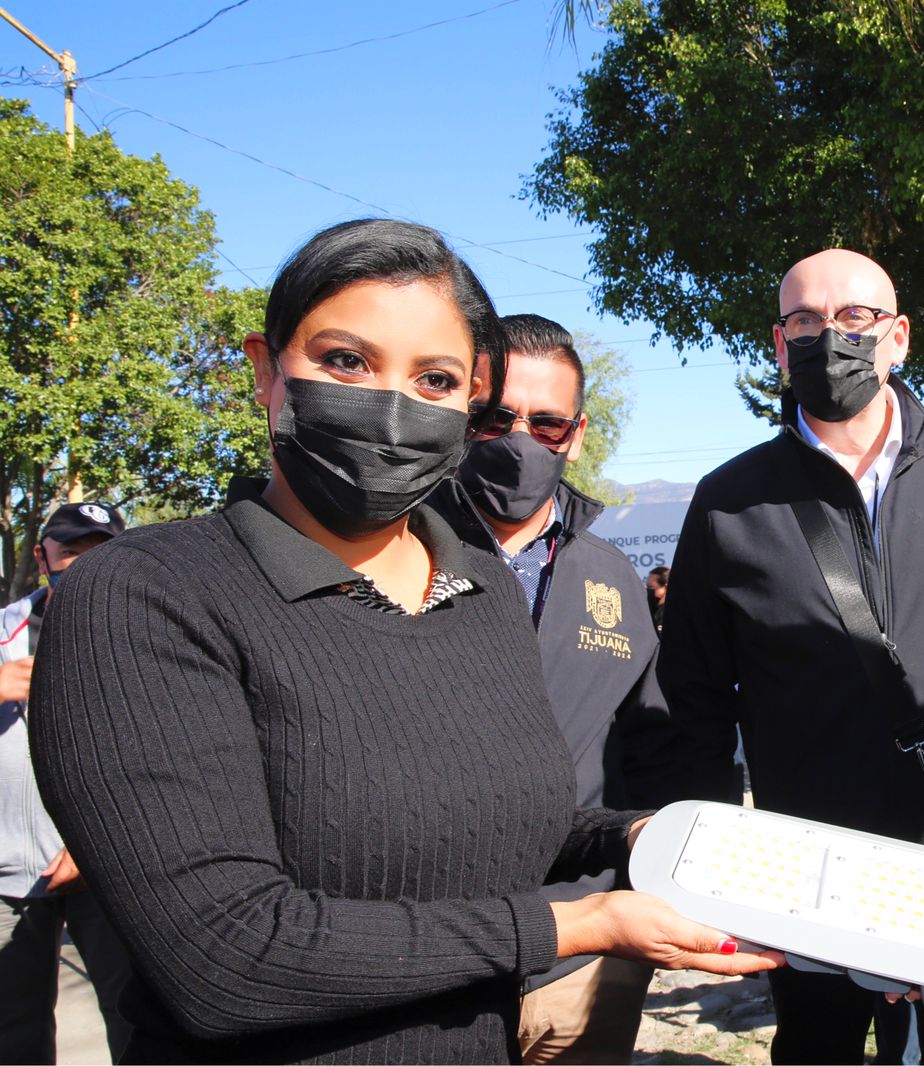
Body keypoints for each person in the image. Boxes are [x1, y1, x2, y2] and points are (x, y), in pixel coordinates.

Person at [26, 219, 779, 1065]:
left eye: (433, 378)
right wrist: (583, 922)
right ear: (266, 371)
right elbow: (226, 955)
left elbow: (489, 817)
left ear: (464, 404)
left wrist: (634, 835)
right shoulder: (145, 595)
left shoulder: (475, 587)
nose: (390, 408)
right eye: (346, 360)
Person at [659, 248, 924, 1063]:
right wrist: (707, 865)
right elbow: (693, 696)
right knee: (817, 1049)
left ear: (898, 337)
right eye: (805, 321)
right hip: (807, 870)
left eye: (855, 318)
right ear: (778, 342)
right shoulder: (730, 500)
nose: (831, 337)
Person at [430, 313, 673, 1064]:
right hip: (432, 951)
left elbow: (649, 741)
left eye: (546, 422)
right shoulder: (388, 547)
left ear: (577, 431)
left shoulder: (611, 576)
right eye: (493, 418)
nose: (518, 441)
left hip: (583, 948)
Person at [1, 502, 135, 1063]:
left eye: (99, 552)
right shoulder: (5, 634)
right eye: (70, 552)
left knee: (137, 1023)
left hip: (103, 870)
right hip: (6, 877)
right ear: (41, 556)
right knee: (13, 1032)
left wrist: (95, 840)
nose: (82, 565)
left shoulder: (142, 639)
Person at [645, 565, 669, 632]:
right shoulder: (648, 610)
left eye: (651, 587)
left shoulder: (673, 614)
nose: (647, 591)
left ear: (666, 588)